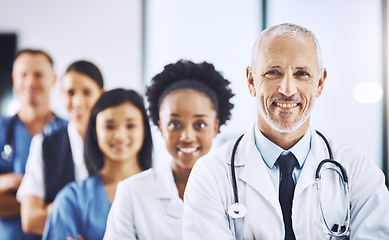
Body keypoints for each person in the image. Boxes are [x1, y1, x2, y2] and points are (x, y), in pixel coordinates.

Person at [183, 23, 389, 239]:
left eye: (301, 73)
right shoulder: (211, 174)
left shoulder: (357, 170)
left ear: (319, 83)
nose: (287, 89)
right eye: (273, 72)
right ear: (251, 80)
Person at [103, 60, 234, 239]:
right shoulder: (132, 192)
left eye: (200, 124)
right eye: (175, 124)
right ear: (161, 127)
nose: (187, 136)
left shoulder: (236, 191)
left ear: (215, 127)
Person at [42, 88, 153, 240]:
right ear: (94, 131)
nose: (120, 136)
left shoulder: (167, 192)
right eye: (109, 126)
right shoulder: (72, 200)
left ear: (144, 130)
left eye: (130, 126)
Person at [16, 60, 104, 237]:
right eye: (70, 93)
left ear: (102, 95)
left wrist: (55, 211)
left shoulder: (113, 145)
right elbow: (31, 219)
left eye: (87, 92)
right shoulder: (44, 144)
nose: (78, 101)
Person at [0, 49, 68, 240]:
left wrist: (13, 185)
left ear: (54, 79)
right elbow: (62, 201)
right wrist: (41, 201)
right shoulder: (2, 129)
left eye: (38, 75)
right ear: (14, 79)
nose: (30, 82)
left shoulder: (69, 132)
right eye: (23, 75)